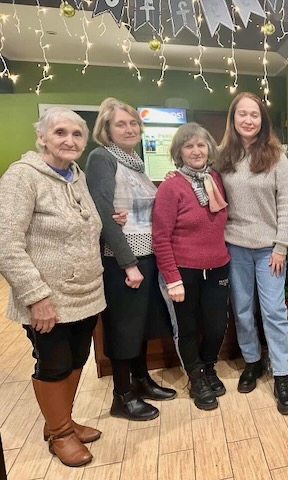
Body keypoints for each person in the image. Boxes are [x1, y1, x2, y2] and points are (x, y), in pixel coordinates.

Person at [0, 107, 105, 467]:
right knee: (54, 363)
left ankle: (64, 420)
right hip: (49, 299)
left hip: (86, 295)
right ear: (41, 137)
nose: (70, 140)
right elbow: (6, 242)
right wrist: (36, 297)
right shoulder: (22, 177)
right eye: (60, 132)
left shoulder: (76, 176)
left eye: (77, 134)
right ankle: (58, 433)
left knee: (77, 358)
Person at [85, 98, 176, 422]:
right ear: (106, 129)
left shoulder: (134, 161)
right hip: (124, 261)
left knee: (141, 325)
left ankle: (141, 380)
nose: (129, 129)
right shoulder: (102, 158)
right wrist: (127, 264)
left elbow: (133, 209)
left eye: (133, 123)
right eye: (121, 124)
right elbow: (104, 214)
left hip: (146, 255)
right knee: (123, 328)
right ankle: (122, 396)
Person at [217, 92, 288, 415]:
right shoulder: (221, 157)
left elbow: (286, 205)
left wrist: (281, 246)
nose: (248, 120)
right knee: (243, 310)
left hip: (269, 250)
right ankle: (252, 361)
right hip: (234, 245)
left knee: (274, 311)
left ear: (262, 121)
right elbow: (200, 184)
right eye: (242, 114)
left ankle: (281, 373)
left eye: (255, 115)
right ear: (233, 119)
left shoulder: (276, 157)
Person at [152, 123, 230, 411]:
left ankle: (208, 367)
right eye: (189, 146)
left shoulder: (216, 180)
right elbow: (161, 236)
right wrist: (172, 278)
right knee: (185, 328)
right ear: (179, 152)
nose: (196, 151)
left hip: (218, 267)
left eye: (201, 145)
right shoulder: (171, 187)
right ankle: (196, 377)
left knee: (215, 326)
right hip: (183, 271)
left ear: (209, 148)